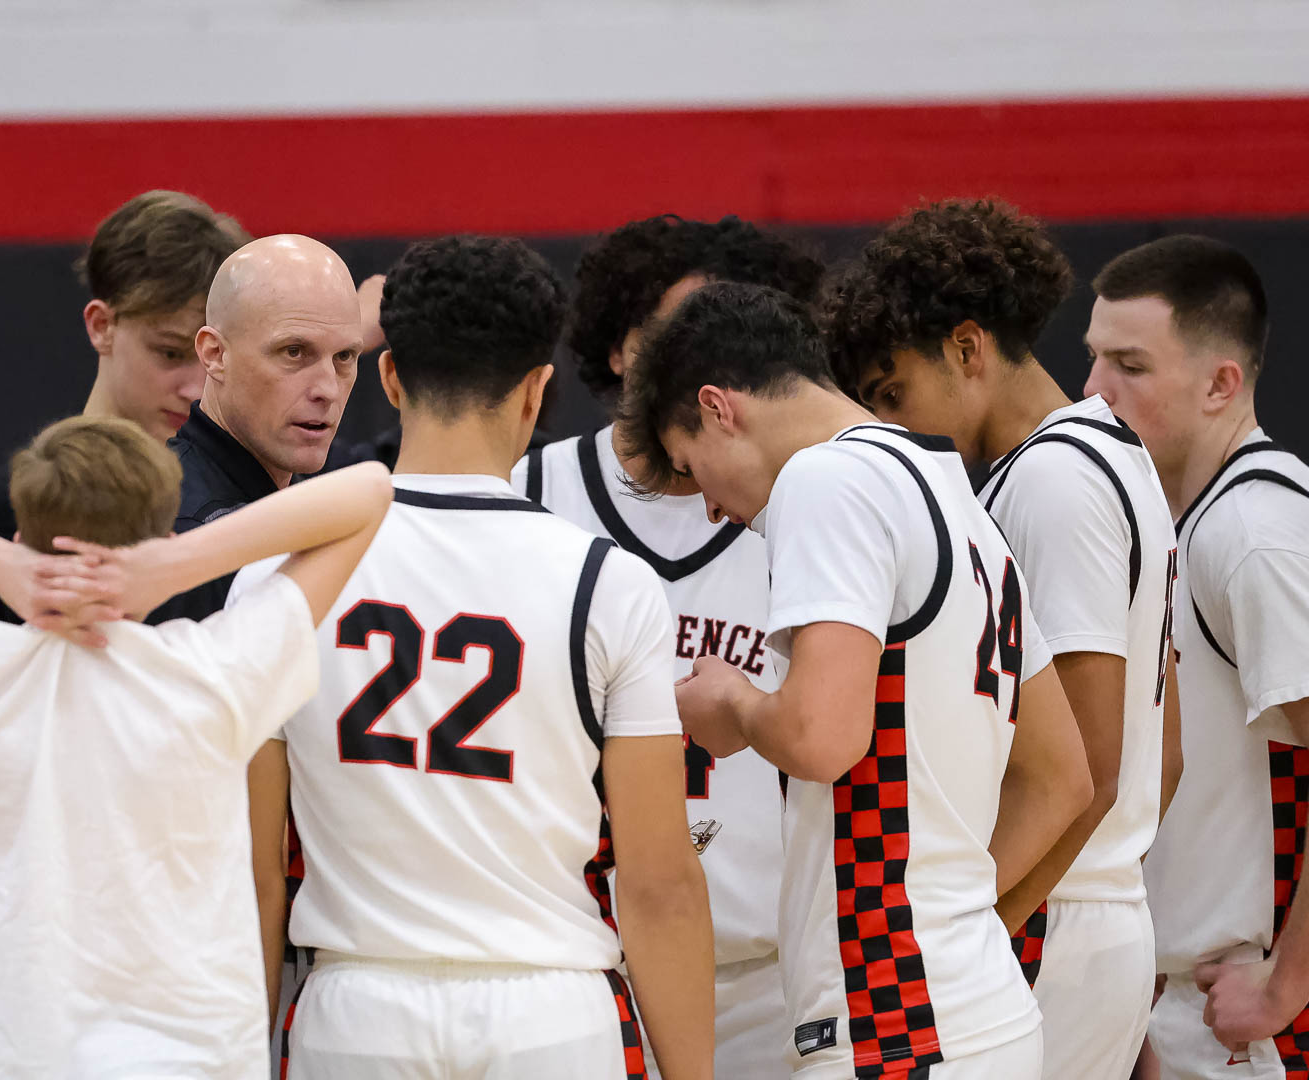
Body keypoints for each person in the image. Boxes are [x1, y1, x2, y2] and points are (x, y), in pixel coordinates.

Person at [0, 417, 391, 1079]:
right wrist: (175, 565)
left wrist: (2, 567)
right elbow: (367, 491)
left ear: (21, 539)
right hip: (191, 1061)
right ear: (164, 541)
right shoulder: (214, 676)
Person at [251, 235, 715, 1079]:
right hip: (552, 1013)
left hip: (355, 1013)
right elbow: (659, 884)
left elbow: (255, 874)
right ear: (538, 389)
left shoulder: (278, 571)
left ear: (390, 378)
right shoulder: (610, 583)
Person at [623, 282, 1092, 1078]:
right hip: (974, 1007)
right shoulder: (949, 490)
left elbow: (820, 739)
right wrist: (959, 929)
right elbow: (1063, 780)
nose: (710, 510)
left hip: (896, 1021)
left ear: (718, 408)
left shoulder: (826, 481)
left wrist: (734, 701)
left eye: (692, 470)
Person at [819, 198, 1179, 1079]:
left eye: (895, 394)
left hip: (1050, 909)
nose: (890, 429)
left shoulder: (1052, 482)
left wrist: (973, 935)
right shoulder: (1111, 454)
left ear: (967, 348)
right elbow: (1166, 756)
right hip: (1090, 907)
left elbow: (1087, 771)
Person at [513, 213, 822, 1078]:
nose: (700, 362)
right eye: (677, 333)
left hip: (769, 975)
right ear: (619, 347)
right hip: (581, 963)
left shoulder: (814, 508)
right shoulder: (529, 491)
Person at [1086, 236, 1309, 1080]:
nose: (1094, 391)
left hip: (1256, 1025)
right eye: (1094, 358)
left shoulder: (1255, 535)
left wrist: (1286, 985)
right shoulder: (1197, 523)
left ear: (1221, 384)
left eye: (1130, 366)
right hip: (1191, 1008)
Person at [0, 190, 249, 620]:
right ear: (102, 325)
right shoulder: (5, 507)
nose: (196, 389)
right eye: (170, 352)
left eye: (213, 358)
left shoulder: (245, 506)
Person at [146, 233, 362, 623]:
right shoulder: (175, 532)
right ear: (214, 354)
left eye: (344, 356)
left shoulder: (319, 496)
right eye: (294, 352)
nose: (328, 389)